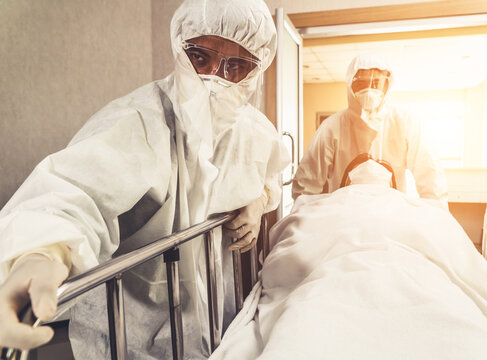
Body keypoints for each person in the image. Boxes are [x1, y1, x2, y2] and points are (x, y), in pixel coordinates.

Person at [0, 0, 289, 359]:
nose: (215, 78)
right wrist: (40, 251)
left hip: (219, 312)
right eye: (201, 57)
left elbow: (270, 175)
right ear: (180, 47)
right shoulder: (139, 119)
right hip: (133, 326)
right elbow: (74, 191)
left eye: (237, 65)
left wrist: (258, 201)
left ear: (256, 69)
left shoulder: (255, 131)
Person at [292, 54, 448, 205]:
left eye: (376, 83)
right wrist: (306, 219)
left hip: (392, 212)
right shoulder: (331, 127)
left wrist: (437, 216)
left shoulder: (405, 123)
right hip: (345, 214)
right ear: (350, 85)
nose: (369, 89)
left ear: (387, 84)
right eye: (361, 84)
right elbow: (307, 185)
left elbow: (431, 177)